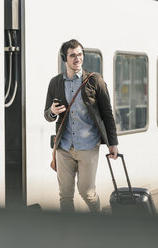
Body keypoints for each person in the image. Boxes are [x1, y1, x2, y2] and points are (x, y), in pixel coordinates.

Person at [44, 39, 119, 213]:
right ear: (65, 58)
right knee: (65, 195)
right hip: (64, 147)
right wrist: (53, 111)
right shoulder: (55, 83)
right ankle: (68, 232)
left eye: (80, 54)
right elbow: (47, 115)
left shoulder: (95, 81)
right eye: (72, 55)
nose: (77, 59)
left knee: (87, 193)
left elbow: (107, 114)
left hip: (88, 146)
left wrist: (112, 144)